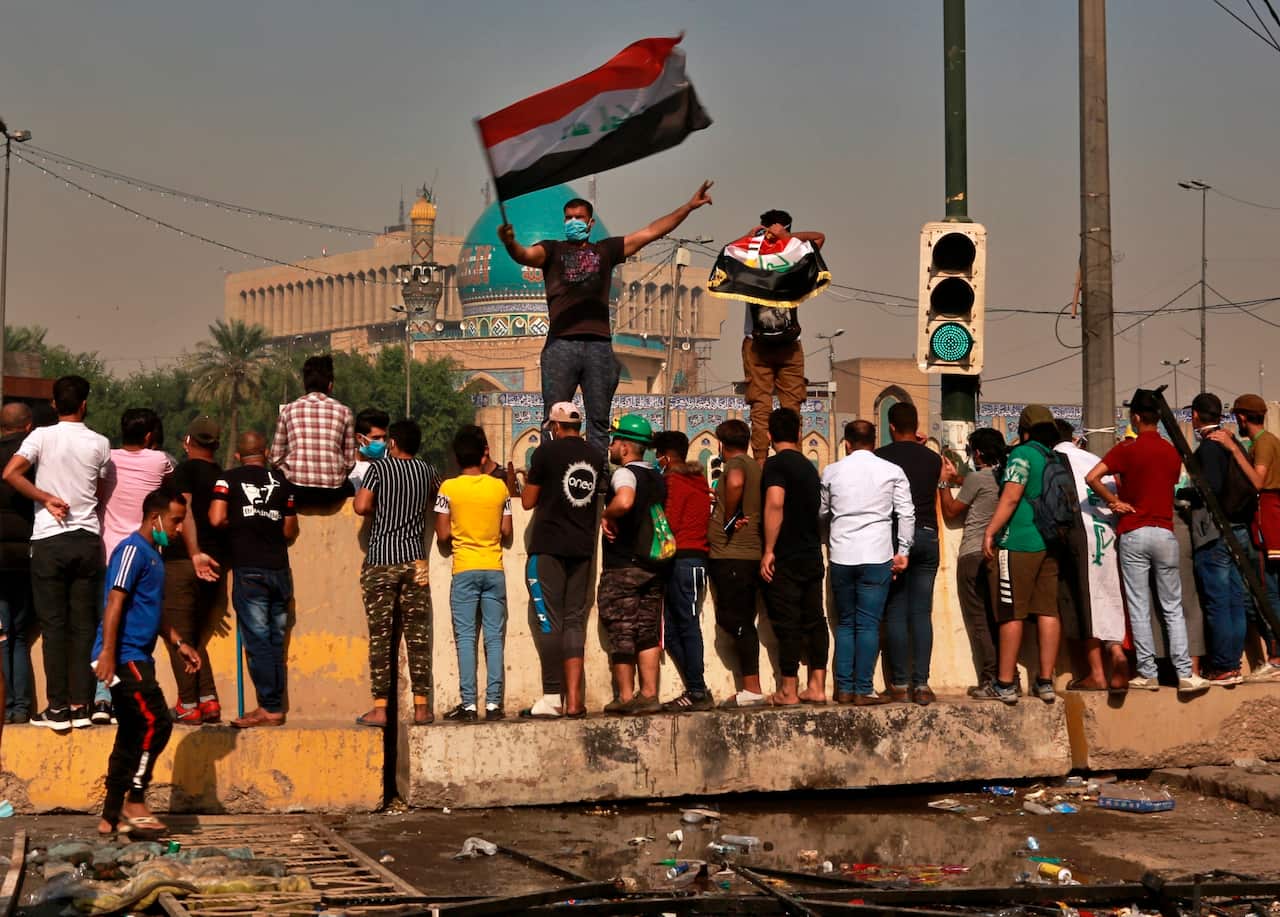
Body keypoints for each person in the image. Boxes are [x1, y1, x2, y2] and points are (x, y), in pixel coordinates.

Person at [497, 182, 715, 454]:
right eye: (568, 218)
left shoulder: (605, 251)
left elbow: (651, 231)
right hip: (561, 344)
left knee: (598, 422)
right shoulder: (552, 250)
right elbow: (525, 255)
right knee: (553, 418)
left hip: (598, 346)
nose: (573, 222)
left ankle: (596, 474)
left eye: (579, 218)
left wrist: (688, 207)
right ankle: (551, 470)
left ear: (590, 223)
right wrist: (510, 243)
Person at [3, 375, 111, 731]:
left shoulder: (40, 437)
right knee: (83, 626)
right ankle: (81, 705)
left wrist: (46, 498)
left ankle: (58, 708)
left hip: (49, 540)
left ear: (53, 404)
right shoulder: (100, 442)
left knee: (54, 627)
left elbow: (11, 473)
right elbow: (99, 490)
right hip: (87, 540)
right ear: (84, 404)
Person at [93, 487, 202, 836]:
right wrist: (107, 653)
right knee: (158, 722)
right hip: (124, 656)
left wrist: (178, 643)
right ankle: (135, 799)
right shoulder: (131, 550)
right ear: (155, 517)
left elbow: (152, 611)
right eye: (175, 521)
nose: (179, 529)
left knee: (131, 732)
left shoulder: (155, 556)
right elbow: (115, 602)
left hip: (139, 655)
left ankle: (110, 817)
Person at [1086, 391, 1208, 693]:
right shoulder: (1170, 452)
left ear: (1136, 418)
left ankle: (1147, 673)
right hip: (1165, 532)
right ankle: (1185, 674)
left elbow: (1092, 477)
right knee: (1172, 606)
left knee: (1139, 606)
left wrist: (1114, 501)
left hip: (1133, 532)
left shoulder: (1126, 449)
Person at [353, 420, 440, 726]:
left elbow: (361, 506)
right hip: (416, 563)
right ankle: (421, 707)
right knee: (417, 637)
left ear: (392, 443)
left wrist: (382, 508)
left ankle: (380, 708)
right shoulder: (427, 471)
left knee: (381, 637)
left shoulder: (379, 469)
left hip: (381, 561)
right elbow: (439, 500)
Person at [209, 432, 298, 728]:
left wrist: (238, 525)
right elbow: (288, 530)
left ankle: (270, 708)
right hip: (280, 570)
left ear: (238, 455)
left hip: (249, 570)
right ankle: (273, 705)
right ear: (267, 452)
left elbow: (216, 518)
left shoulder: (227, 480)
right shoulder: (282, 482)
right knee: (275, 641)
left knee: (258, 641)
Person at [823, 420, 913, 706]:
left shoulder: (831, 471)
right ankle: (863, 688)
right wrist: (903, 550)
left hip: (841, 555)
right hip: (877, 555)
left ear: (846, 444)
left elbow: (822, 512)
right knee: (868, 625)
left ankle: (844, 688)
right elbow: (906, 513)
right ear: (875, 442)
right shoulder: (892, 471)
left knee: (845, 624)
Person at [521, 402, 602, 718]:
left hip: (549, 548)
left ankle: (553, 697)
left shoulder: (545, 453)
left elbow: (528, 501)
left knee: (549, 621)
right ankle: (575, 701)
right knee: (573, 622)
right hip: (582, 549)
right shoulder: (595, 456)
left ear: (555, 427)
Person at [983, 404, 1065, 704]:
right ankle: (1045, 682)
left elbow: (1011, 496)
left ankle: (1005, 683)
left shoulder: (1022, 454)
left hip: (1018, 542)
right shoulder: (1054, 456)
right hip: (1050, 541)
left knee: (1011, 611)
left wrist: (991, 531)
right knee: (1047, 611)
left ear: (1025, 430)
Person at [435, 425, 513, 722]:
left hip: (464, 569)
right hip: (494, 568)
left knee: (466, 638)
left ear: (456, 458)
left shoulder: (448, 488)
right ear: (484, 455)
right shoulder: (500, 488)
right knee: (494, 638)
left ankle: (468, 705)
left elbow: (443, 535)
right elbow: (507, 531)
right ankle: (493, 705)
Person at [740, 210, 827, 462]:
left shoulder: (750, 255)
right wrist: (786, 236)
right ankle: (792, 459)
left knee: (761, 405)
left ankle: (760, 461)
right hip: (788, 343)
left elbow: (728, 254)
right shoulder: (795, 253)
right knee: (791, 406)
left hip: (756, 342)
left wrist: (755, 237)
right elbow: (819, 238)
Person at [599, 414, 669, 715]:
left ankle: (626, 698)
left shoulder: (624, 474)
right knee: (647, 630)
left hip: (623, 567)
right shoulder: (657, 476)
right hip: (653, 566)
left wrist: (607, 515)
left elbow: (625, 501)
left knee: (622, 630)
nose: (611, 446)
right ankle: (649, 694)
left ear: (626, 447)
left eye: (615, 441)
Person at [1053, 418, 1128, 691]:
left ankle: (1096, 673)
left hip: (1079, 537)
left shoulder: (1055, 459)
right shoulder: (1094, 458)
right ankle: (1116, 652)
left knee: (1082, 604)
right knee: (1108, 595)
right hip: (1108, 534)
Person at [1180, 394, 1251, 685]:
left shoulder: (1209, 447)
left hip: (1213, 533)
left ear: (1196, 415)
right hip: (1236, 530)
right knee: (1234, 600)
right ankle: (1232, 664)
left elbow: (1211, 488)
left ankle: (1223, 665)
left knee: (1218, 602)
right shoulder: (1230, 443)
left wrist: (1184, 494)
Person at [760, 407, 828, 705]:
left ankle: (788, 689)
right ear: (800, 434)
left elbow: (775, 503)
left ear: (769, 435)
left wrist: (769, 550)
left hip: (786, 555)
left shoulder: (776, 465)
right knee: (815, 620)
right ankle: (817, 686)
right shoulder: (809, 468)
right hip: (811, 554)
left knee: (787, 621)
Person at [875, 402, 942, 703]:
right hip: (927, 536)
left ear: (890, 427)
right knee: (921, 612)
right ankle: (922, 684)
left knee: (895, 611)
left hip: (895, 538)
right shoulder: (933, 459)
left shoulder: (880, 457)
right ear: (916, 427)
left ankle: (900, 684)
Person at [1209, 392, 1280, 678]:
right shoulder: (1266, 441)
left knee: (1268, 591)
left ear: (1241, 417)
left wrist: (1232, 448)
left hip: (1267, 523)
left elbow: (1258, 481)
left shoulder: (1263, 442)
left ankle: (1276, 656)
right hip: (1268, 521)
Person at [163, 416, 227, 725]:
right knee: (195, 634)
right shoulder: (222, 475)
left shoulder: (184, 472)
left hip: (184, 562)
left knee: (177, 636)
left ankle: (188, 704)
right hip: (216, 563)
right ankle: (208, 700)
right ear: (216, 444)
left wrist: (194, 553)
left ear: (188, 441)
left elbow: (184, 510)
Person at [938, 428, 1006, 699]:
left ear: (977, 453)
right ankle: (1008, 676)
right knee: (1000, 619)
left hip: (973, 554)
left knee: (979, 620)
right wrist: (958, 477)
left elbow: (950, 511)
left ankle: (990, 678)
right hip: (1000, 555)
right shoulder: (1007, 478)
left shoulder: (977, 478)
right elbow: (977, 484)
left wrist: (943, 483)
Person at [706, 419, 765, 708]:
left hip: (733, 554)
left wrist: (729, 518)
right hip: (747, 554)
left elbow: (735, 482)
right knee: (740, 619)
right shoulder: (754, 465)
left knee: (737, 621)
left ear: (721, 443)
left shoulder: (736, 465)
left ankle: (752, 689)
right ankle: (751, 688)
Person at [653, 430, 713, 711]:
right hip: (695, 561)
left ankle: (697, 690)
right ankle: (695, 687)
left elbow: (669, 522)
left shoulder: (674, 481)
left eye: (658, 456)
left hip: (683, 561)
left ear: (665, 457)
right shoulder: (699, 480)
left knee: (686, 626)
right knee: (674, 628)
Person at [269, 354, 357, 506]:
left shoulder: (288, 410)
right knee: (350, 487)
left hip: (296, 490)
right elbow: (349, 462)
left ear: (304, 384)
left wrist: (291, 473)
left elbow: (275, 458)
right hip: (333, 493)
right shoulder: (344, 412)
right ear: (330, 385)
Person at [101, 409, 175, 561]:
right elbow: (171, 482)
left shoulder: (108, 458)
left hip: (109, 550)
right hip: (144, 550)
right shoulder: (159, 460)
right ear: (148, 437)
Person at [0, 404, 34, 723]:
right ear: (27, 426)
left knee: (3, 636)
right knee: (20, 635)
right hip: (25, 557)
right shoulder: (32, 456)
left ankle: (6, 705)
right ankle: (21, 707)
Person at [350, 408, 390, 492]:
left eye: (384, 437)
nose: (382, 442)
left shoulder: (388, 463)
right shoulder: (346, 464)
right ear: (359, 438)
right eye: (376, 438)